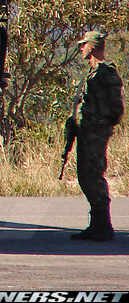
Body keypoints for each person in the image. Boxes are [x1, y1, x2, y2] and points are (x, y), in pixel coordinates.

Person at [69, 30, 123, 242]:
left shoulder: (106, 73)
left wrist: (101, 124)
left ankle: (104, 225)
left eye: (83, 44)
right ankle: (95, 224)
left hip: (96, 132)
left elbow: (117, 107)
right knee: (85, 175)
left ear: (91, 46)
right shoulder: (92, 73)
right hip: (86, 131)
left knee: (94, 174)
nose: (81, 48)